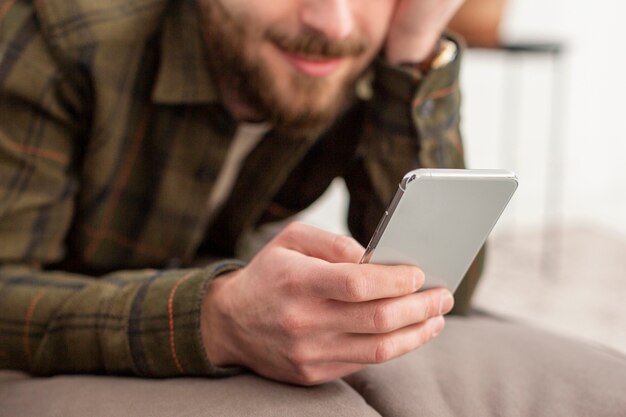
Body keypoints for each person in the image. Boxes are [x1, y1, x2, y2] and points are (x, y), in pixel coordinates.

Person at [0, 0, 625, 416]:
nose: (333, 23)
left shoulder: (358, 50)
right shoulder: (61, 35)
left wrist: (412, 50)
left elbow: (449, 295)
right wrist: (214, 319)